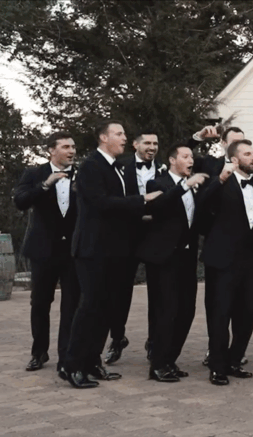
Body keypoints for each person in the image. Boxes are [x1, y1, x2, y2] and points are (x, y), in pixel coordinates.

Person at [64, 120, 162, 388]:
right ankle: (72, 365)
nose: (124, 138)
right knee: (89, 308)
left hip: (114, 250)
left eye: (124, 133)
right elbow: (101, 204)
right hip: (92, 249)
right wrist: (142, 200)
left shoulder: (117, 166)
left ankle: (92, 363)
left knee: (106, 309)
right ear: (103, 138)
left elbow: (118, 207)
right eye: (118, 134)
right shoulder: (90, 166)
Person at [196, 139, 253, 386]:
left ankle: (234, 360)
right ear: (234, 159)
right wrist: (220, 179)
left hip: (251, 259)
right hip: (223, 259)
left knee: (248, 313)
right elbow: (202, 204)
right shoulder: (220, 181)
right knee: (220, 314)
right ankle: (217, 366)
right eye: (247, 154)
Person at [137, 145, 207, 382]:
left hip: (187, 258)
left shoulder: (194, 186)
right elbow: (158, 206)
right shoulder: (157, 183)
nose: (190, 160)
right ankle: (157, 364)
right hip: (164, 258)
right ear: (172, 160)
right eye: (185, 156)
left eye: (192, 157)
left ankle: (170, 360)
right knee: (165, 310)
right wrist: (185, 186)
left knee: (187, 310)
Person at [14, 131, 80, 374]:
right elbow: (20, 201)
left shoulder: (82, 174)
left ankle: (66, 356)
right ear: (51, 150)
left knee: (72, 304)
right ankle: (39, 352)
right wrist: (45, 185)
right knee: (40, 303)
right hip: (43, 250)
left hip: (72, 250)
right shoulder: (34, 173)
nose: (72, 151)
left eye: (73, 147)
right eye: (66, 147)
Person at [106, 129, 161, 365]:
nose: (152, 147)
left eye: (155, 143)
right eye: (147, 143)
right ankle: (117, 337)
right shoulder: (120, 167)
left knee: (158, 292)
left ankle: (154, 341)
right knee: (119, 290)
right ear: (135, 145)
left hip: (156, 236)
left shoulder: (165, 168)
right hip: (126, 235)